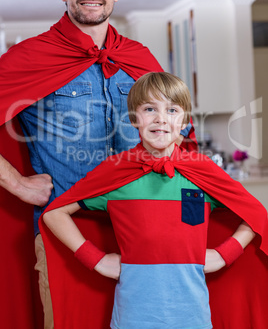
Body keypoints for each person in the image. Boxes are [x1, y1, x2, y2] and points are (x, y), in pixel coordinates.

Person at [0, 0, 197, 329]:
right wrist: (19, 185)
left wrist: (192, 229)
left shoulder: (141, 59)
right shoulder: (28, 57)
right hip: (67, 235)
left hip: (146, 237)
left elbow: (179, 146)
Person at [41, 72, 268, 329]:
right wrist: (96, 259)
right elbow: (54, 213)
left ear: (183, 120)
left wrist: (223, 254)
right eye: (150, 109)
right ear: (135, 118)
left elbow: (256, 214)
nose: (161, 119)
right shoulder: (116, 170)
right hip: (131, 318)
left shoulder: (201, 169)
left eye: (172, 110)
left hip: (194, 318)